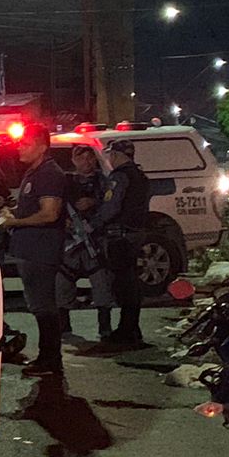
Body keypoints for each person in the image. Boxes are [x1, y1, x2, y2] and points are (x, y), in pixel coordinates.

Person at [0, 122, 68, 392]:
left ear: (42, 145)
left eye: (25, 143)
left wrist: (15, 222)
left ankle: (50, 359)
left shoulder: (49, 173)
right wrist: (13, 214)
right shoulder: (34, 172)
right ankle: (47, 357)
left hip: (41, 249)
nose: (20, 147)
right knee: (39, 305)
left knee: (43, 306)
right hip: (31, 249)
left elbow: (49, 213)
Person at [88, 137, 151, 351]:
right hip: (136, 233)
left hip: (121, 235)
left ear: (116, 155)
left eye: (110, 155)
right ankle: (131, 328)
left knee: (123, 284)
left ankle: (127, 331)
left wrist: (93, 224)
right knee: (131, 282)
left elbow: (111, 207)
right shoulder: (140, 175)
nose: (109, 159)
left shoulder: (120, 176)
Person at [55, 145, 117, 339]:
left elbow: (112, 204)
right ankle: (64, 327)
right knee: (63, 284)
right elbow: (56, 204)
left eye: (89, 158)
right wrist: (64, 221)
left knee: (101, 285)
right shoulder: (66, 182)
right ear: (74, 161)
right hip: (70, 242)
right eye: (81, 159)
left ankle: (104, 328)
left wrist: (94, 203)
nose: (86, 163)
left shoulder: (103, 181)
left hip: (95, 240)